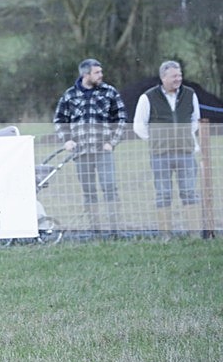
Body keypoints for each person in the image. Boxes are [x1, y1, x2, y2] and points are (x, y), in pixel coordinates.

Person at [53, 58, 127, 232]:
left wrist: (112, 142)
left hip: (103, 150)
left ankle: (115, 229)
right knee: (89, 191)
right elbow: (59, 119)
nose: (101, 75)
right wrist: (67, 140)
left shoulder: (109, 92)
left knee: (110, 188)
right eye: (97, 72)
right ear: (86, 74)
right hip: (81, 153)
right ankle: (95, 229)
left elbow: (121, 119)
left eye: (101, 72)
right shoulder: (70, 95)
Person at [132, 60, 201, 238]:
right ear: (163, 77)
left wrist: (183, 136)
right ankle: (166, 235)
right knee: (163, 194)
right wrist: (157, 140)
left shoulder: (190, 94)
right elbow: (139, 126)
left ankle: (194, 234)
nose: (178, 79)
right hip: (160, 155)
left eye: (180, 75)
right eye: (174, 76)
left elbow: (195, 120)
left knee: (190, 193)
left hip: (185, 152)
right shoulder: (148, 97)